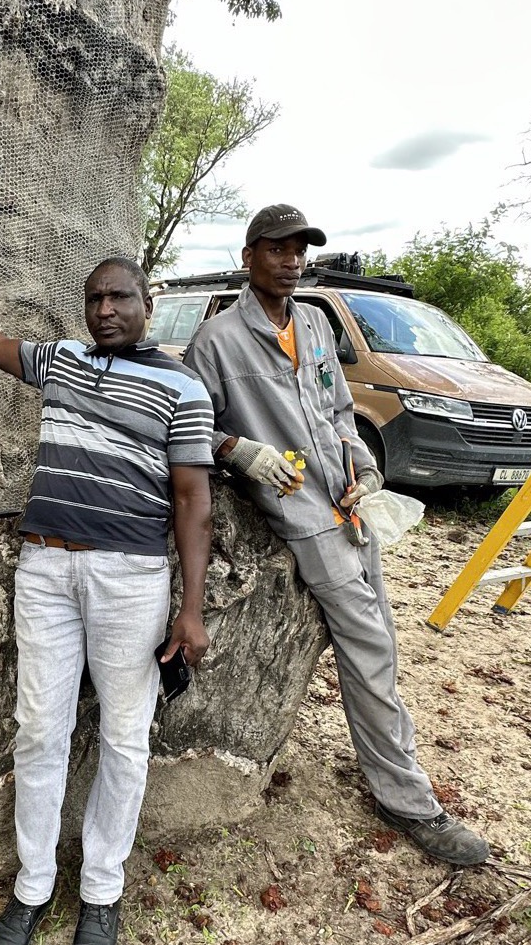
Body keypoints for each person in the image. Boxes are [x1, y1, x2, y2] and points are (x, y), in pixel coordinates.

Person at [0, 258, 215, 945]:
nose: (105, 309)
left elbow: (194, 501)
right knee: (41, 727)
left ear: (147, 302)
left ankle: (103, 889)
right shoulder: (65, 362)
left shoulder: (183, 388)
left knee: (126, 736)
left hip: (129, 578)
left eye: (120, 297)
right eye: (95, 298)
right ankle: (34, 883)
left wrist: (190, 608)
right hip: (44, 569)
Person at [183, 205, 488, 867]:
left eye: (299, 250)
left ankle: (393, 764)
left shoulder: (317, 324)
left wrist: (365, 466)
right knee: (371, 647)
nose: (291, 261)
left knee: (382, 638)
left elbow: (340, 412)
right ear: (248, 256)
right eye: (277, 249)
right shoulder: (218, 341)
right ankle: (408, 800)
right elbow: (184, 428)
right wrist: (238, 449)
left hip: (351, 509)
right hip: (302, 519)